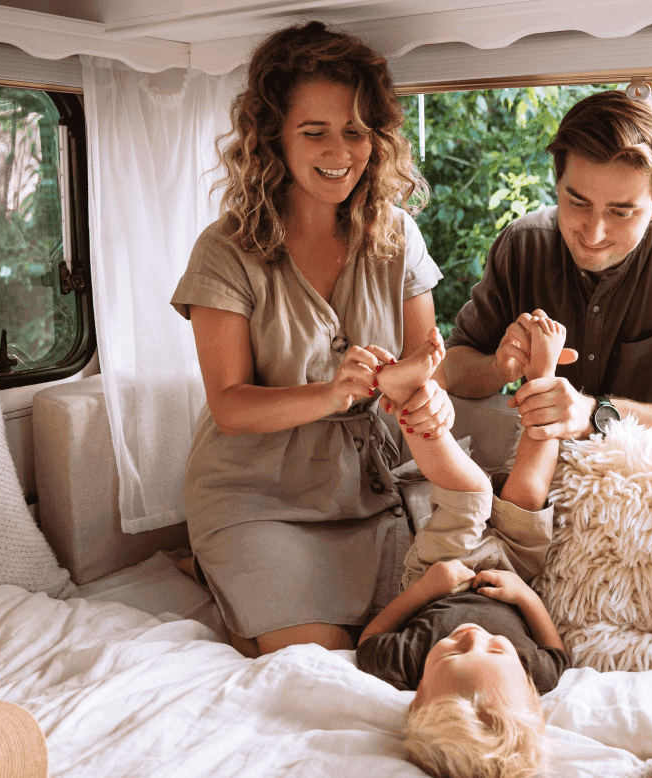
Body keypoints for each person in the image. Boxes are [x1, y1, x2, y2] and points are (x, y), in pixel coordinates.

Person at [169, 22, 453, 657]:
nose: (339, 150)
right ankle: (218, 560)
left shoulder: (399, 234)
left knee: (414, 647)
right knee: (314, 661)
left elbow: (425, 362)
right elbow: (231, 407)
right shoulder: (225, 251)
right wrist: (331, 393)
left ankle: (222, 579)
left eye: (354, 130)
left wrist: (420, 390)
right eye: (314, 131)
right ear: (274, 136)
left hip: (373, 492)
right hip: (258, 496)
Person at [443, 89, 652, 443]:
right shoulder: (522, 244)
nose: (593, 234)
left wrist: (596, 414)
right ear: (557, 184)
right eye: (577, 202)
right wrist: (497, 368)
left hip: (650, 480)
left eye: (621, 212)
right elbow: (452, 366)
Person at [355, 315, 571, 778]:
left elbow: (370, 638)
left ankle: (407, 394)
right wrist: (524, 596)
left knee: (468, 489)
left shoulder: (404, 664)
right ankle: (543, 379)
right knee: (529, 494)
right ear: (527, 687)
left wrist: (427, 589)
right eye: (497, 653)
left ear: (418, 693)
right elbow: (556, 652)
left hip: (442, 572)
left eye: (451, 653)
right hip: (512, 572)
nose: (473, 638)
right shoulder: (538, 675)